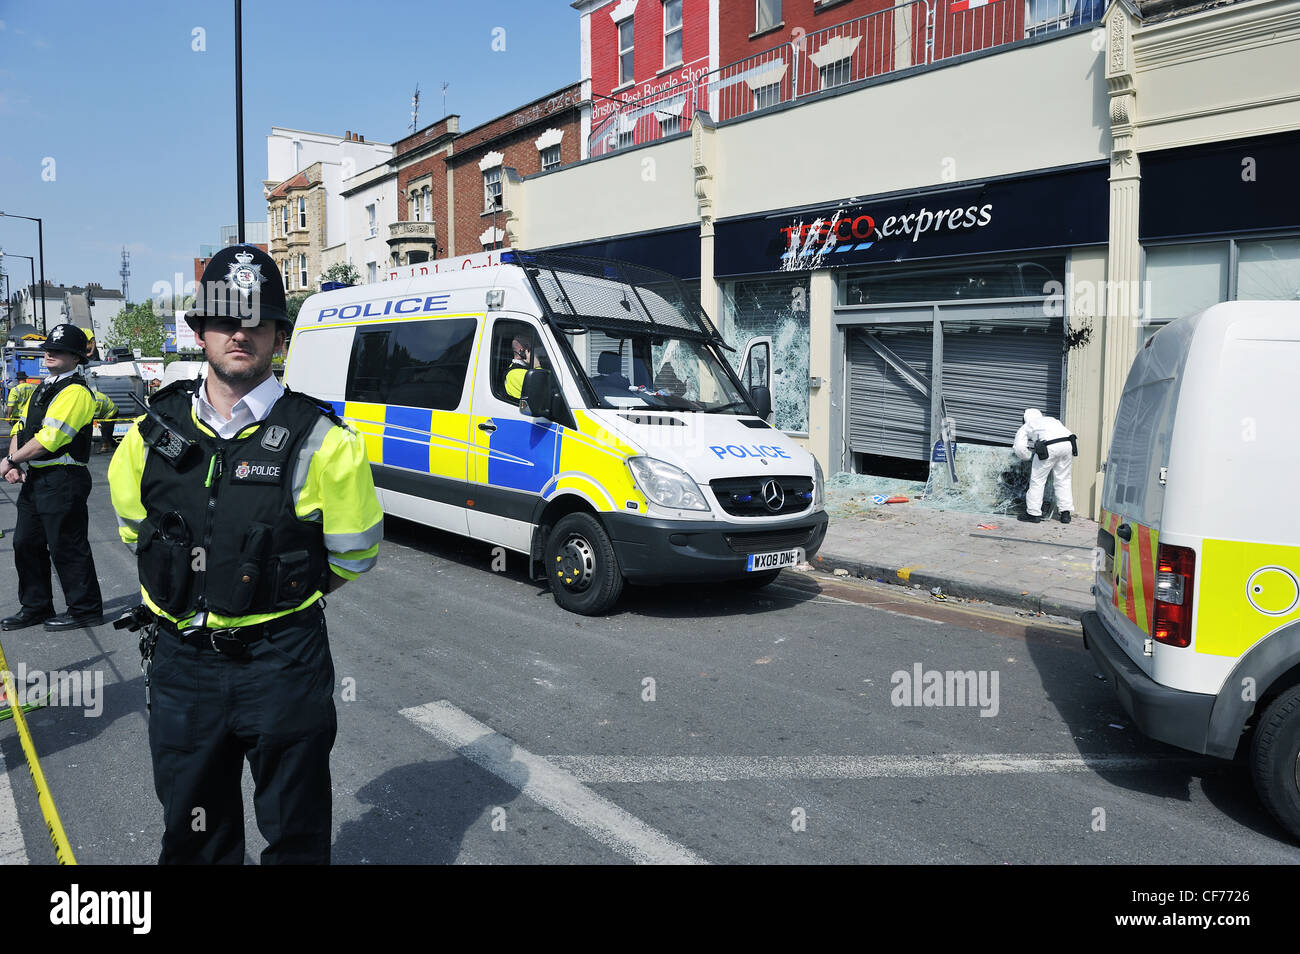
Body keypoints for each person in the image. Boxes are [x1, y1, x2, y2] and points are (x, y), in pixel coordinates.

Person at [108, 244, 383, 864]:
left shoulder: (324, 440)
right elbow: (136, 530)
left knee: (297, 836)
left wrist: (268, 596)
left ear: (278, 337)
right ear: (201, 330)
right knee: (192, 834)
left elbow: (353, 555)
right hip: (183, 663)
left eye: (256, 320)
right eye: (225, 318)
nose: (239, 332)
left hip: (282, 663)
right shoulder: (152, 431)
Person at [0, 325, 105, 631]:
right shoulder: (42, 387)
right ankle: (35, 606)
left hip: (64, 476)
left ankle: (85, 609)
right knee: (25, 543)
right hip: (39, 476)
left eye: (58, 350)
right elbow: (22, 427)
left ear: (75, 358)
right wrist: (16, 461)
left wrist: (10, 460)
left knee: (66, 546)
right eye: (48, 348)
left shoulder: (75, 392)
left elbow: (50, 439)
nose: (49, 353)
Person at [1013, 407, 1077, 524]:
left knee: (1037, 480)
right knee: (1063, 479)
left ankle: (1033, 513)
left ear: (1025, 419)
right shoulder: (1052, 420)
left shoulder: (1027, 425)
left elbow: (1020, 448)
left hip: (1049, 447)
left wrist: (1028, 456)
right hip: (1069, 444)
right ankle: (1065, 513)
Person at [90, 386, 118, 454]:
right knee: (108, 432)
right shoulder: (90, 397)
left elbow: (94, 415)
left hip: (111, 412)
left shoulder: (96, 401)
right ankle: (114, 445)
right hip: (105, 411)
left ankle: (105, 447)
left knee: (105, 431)